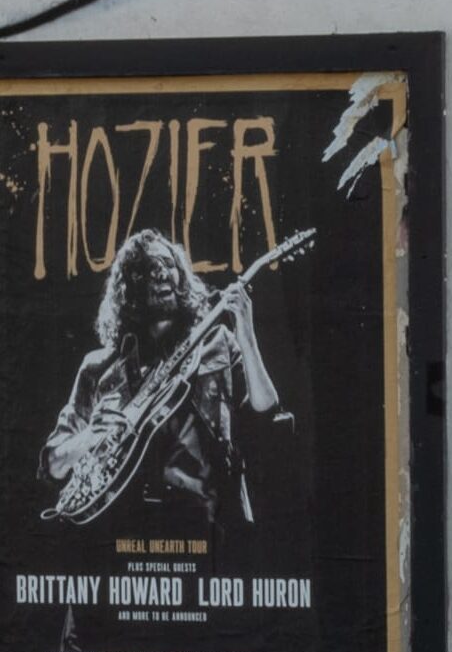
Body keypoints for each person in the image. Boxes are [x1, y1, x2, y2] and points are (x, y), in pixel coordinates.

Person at [41, 227, 282, 539]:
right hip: (119, 529)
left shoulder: (216, 342)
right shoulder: (97, 367)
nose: (162, 275)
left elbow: (265, 409)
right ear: (128, 287)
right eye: (148, 269)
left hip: (211, 524)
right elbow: (53, 465)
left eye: (169, 265)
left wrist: (245, 331)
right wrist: (89, 437)